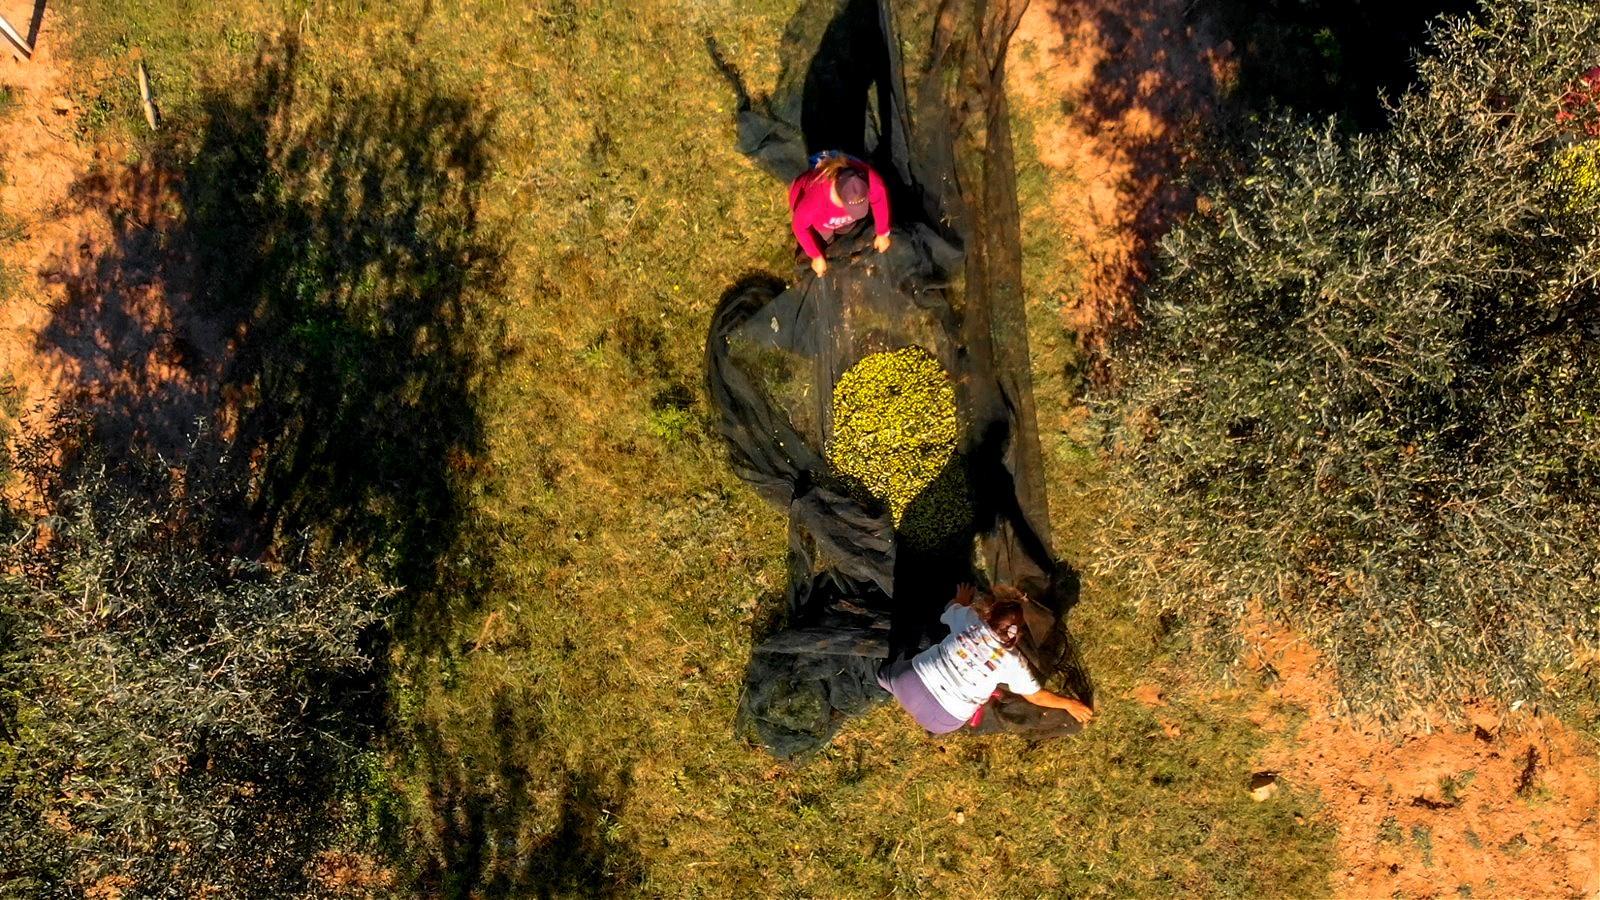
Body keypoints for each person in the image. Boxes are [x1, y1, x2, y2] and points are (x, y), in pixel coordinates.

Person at [877, 583, 1093, 734]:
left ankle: (884, 680)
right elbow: (1036, 697)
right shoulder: (1013, 662)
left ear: (989, 614)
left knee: (886, 674)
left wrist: (961, 599)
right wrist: (1070, 704)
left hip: (909, 682)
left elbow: (952, 606)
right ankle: (976, 703)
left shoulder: (967, 619)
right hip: (944, 720)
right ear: (1018, 635)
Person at [788, 152, 892, 277]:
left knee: (846, 229)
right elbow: (799, 226)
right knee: (823, 240)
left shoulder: (869, 179)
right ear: (837, 195)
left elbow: (880, 198)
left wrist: (882, 232)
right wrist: (816, 256)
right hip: (820, 222)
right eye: (850, 207)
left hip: (841, 219)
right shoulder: (816, 198)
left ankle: (840, 232)